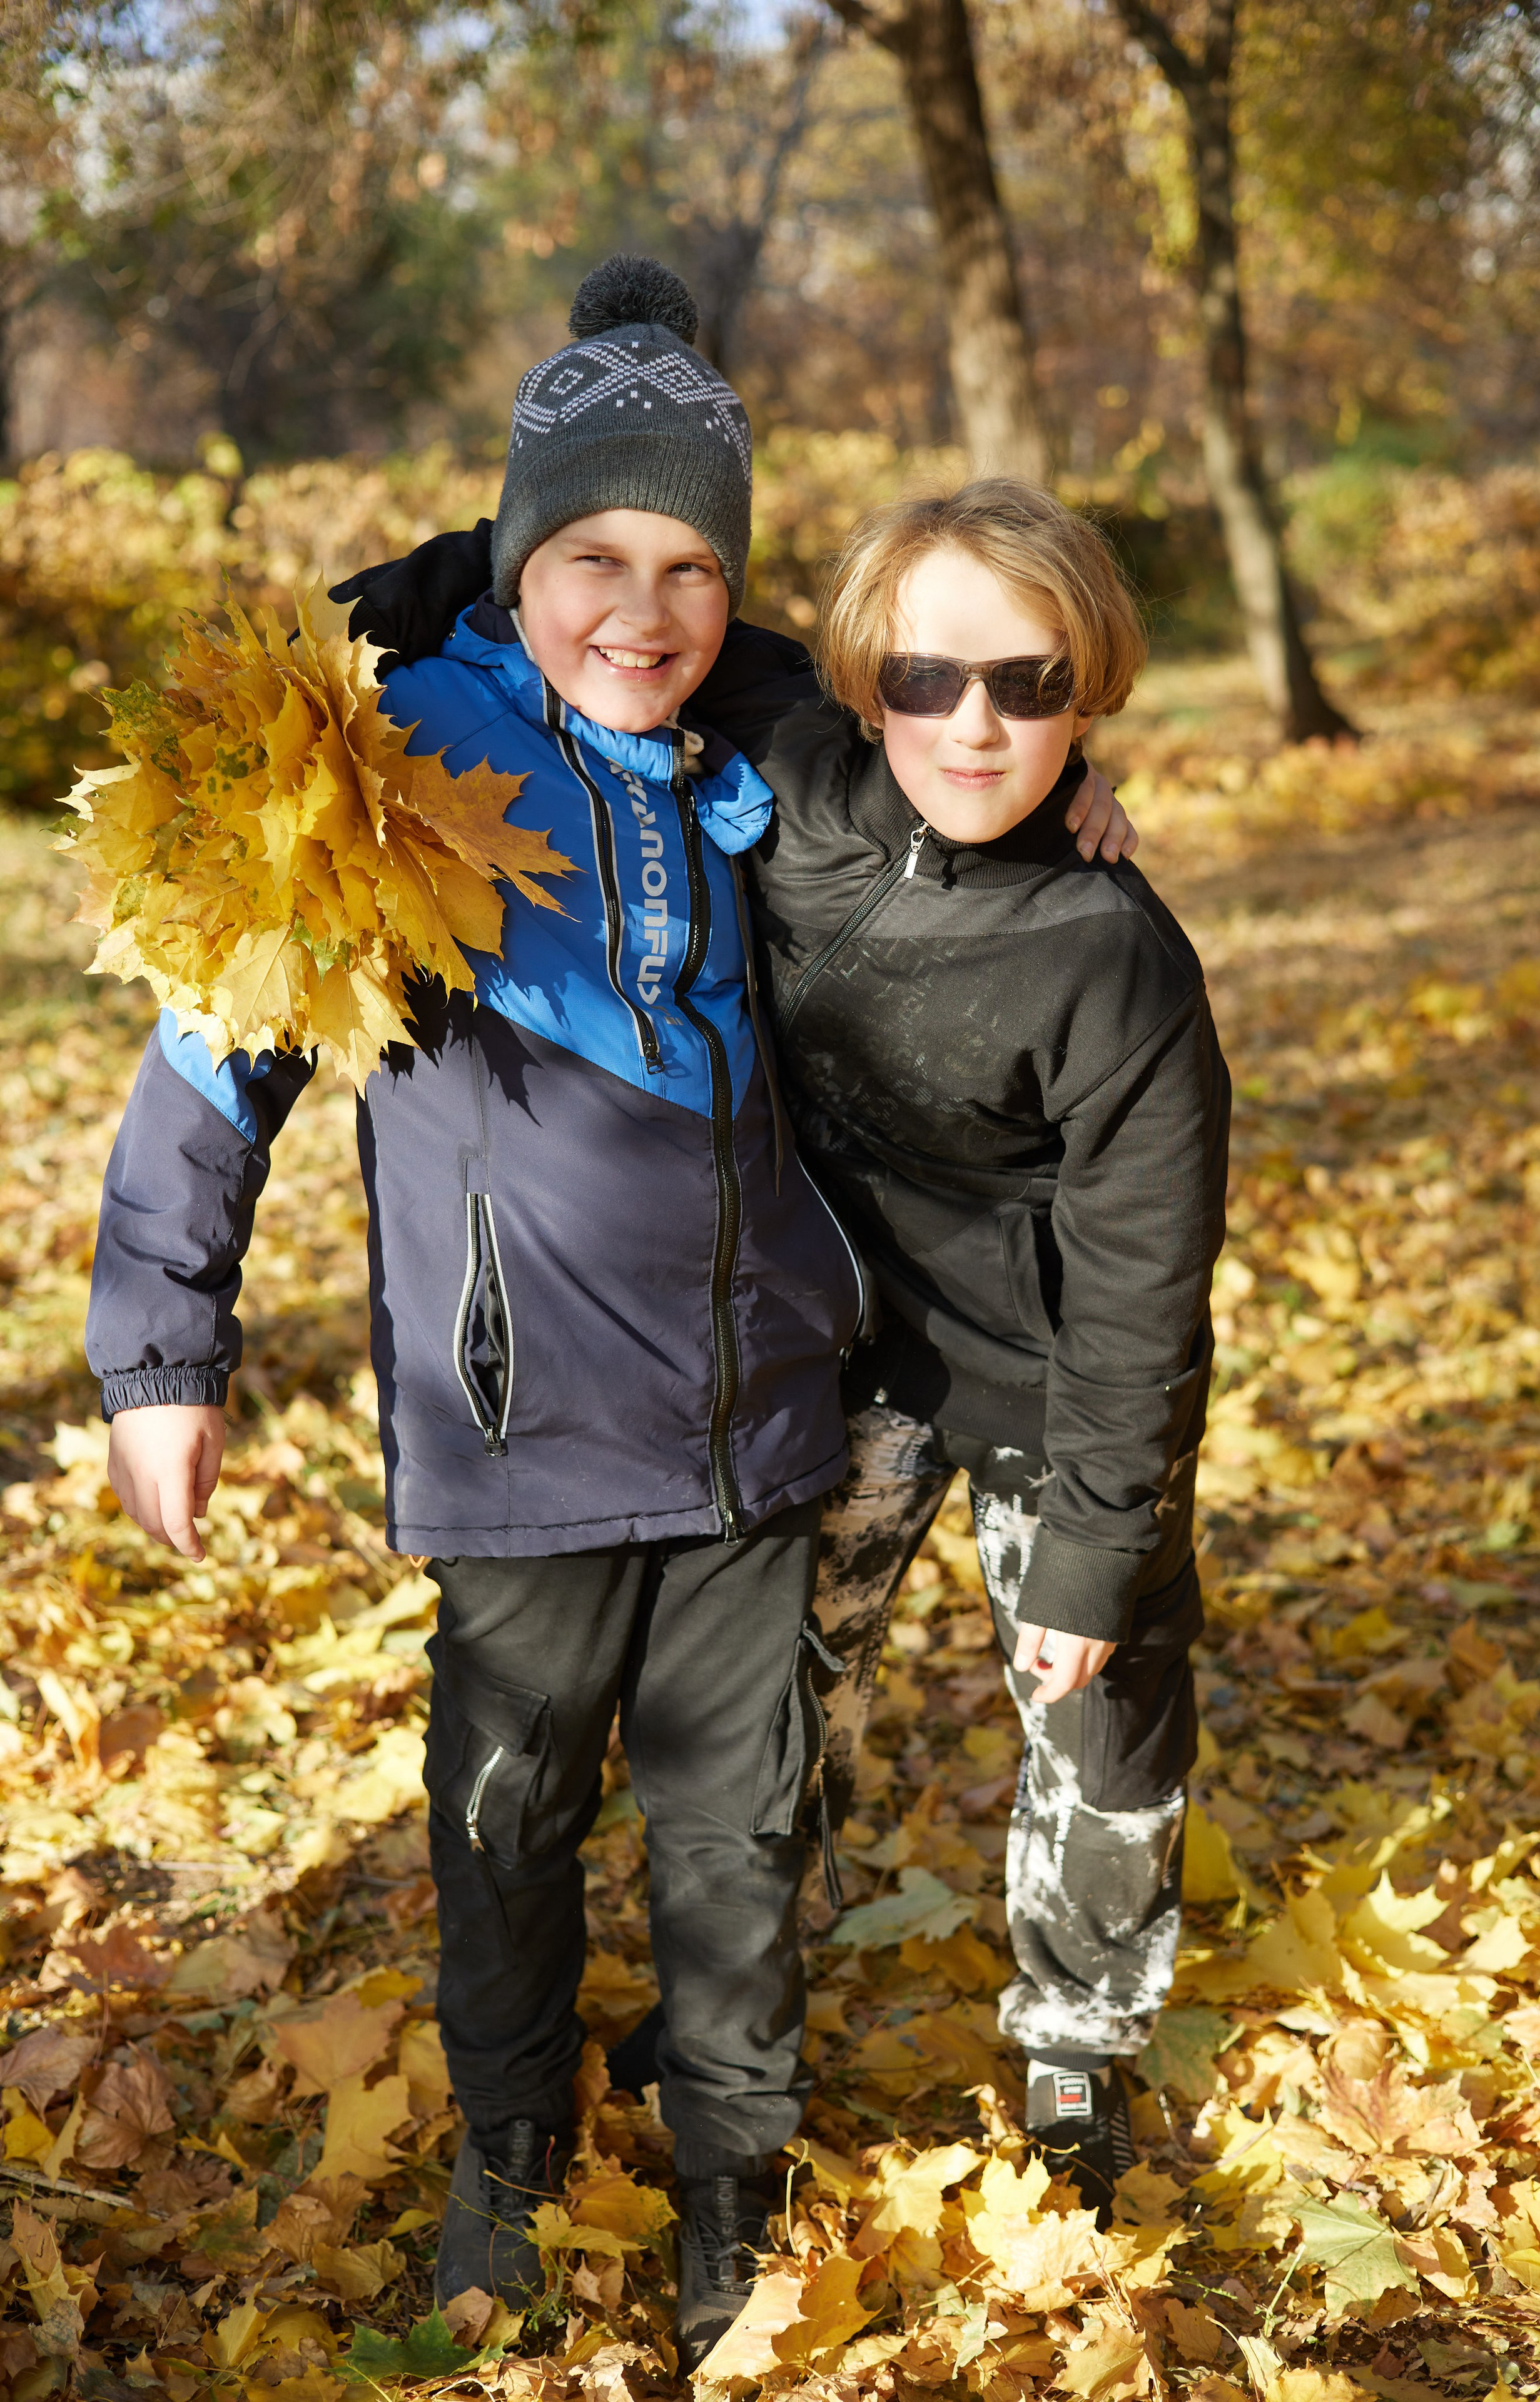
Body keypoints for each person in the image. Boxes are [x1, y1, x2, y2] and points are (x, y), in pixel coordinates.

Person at [85, 255, 869, 2369]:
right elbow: (214, 1045)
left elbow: (953, 902)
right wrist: (163, 1353)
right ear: (514, 565)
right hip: (519, 1425)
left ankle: (733, 2174)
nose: (647, 604)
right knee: (512, 1810)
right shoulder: (401, 754)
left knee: (738, 1824)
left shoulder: (761, 768)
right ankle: (514, 2145)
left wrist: (1063, 801)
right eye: (594, 553)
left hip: (753, 1422)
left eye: (697, 562)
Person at [349, 465, 1227, 2224]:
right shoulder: (794, 773)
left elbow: (1146, 1293)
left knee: (1103, 1700)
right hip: (828, 1341)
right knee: (770, 1695)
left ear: (1094, 686)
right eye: (929, 678)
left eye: (1032, 686)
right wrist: (515, 545)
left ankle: (1078, 2038)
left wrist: (1096, 1551)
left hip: (1052, 1373)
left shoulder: (1112, 960)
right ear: (857, 680)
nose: (973, 724)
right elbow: (522, 592)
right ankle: (736, 2002)